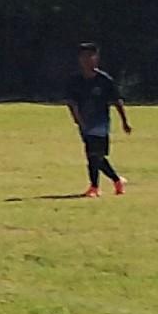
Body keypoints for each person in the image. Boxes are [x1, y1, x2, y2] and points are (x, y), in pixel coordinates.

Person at [64, 42, 132, 197]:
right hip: (85, 123)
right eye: (84, 56)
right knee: (95, 156)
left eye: (90, 56)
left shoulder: (104, 80)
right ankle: (115, 181)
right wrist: (77, 119)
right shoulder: (75, 80)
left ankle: (95, 187)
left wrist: (124, 121)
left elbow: (117, 101)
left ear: (96, 58)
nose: (87, 60)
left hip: (101, 123)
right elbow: (71, 102)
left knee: (95, 155)